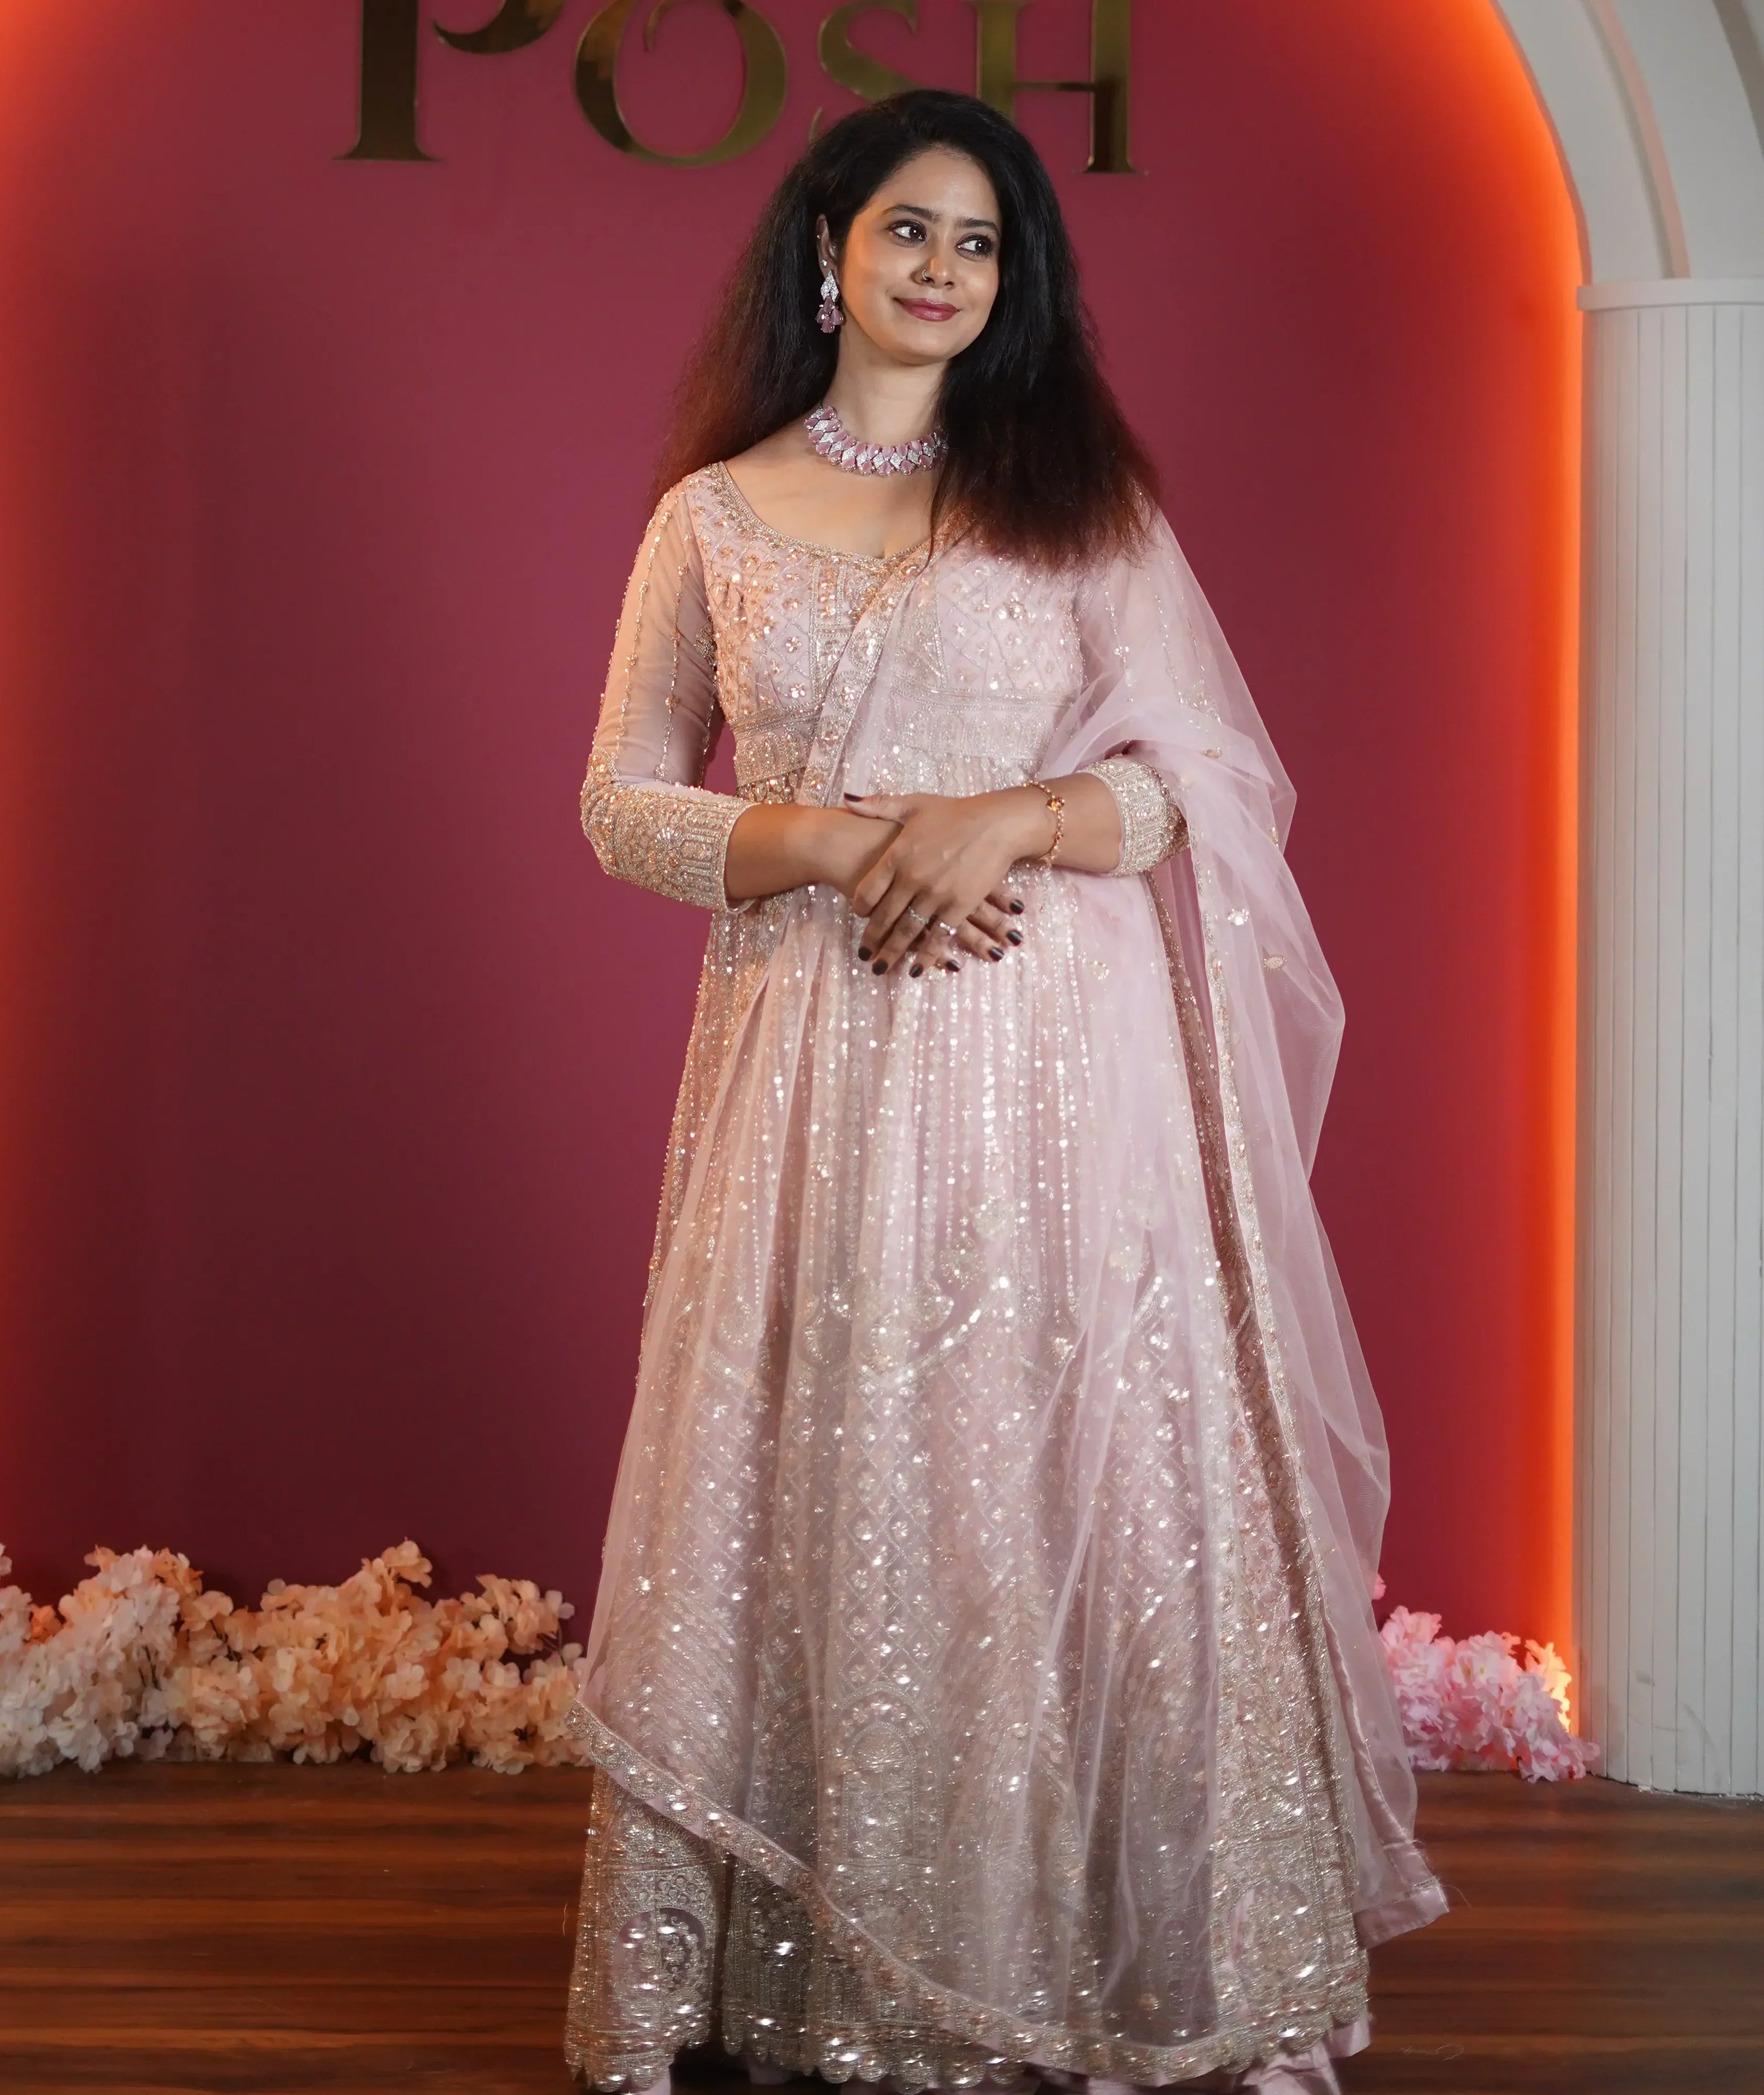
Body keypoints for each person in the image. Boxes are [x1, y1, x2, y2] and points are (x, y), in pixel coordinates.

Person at [563, 89, 1443, 2095]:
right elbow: (621, 801)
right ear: (827, 250)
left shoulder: (1077, 503)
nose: (944, 269)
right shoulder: (710, 519)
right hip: (808, 1067)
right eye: (910, 231)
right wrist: (839, 839)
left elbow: (1207, 788)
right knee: (824, 1476)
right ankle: (824, 1969)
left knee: (1044, 1485)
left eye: (982, 243)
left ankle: (1088, 1956)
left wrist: (1004, 819)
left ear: (1009, 282)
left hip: (1062, 1076)